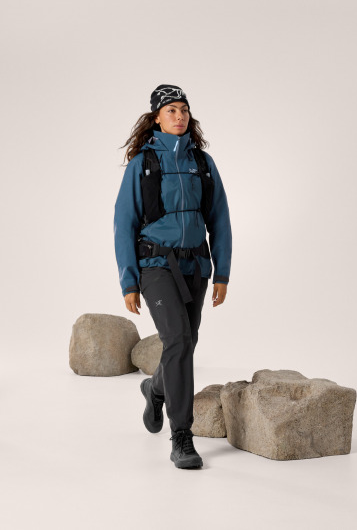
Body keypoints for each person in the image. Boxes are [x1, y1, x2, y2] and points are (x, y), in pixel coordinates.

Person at [113, 84, 232, 469]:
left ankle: (155, 388)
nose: (179, 116)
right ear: (156, 118)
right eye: (171, 111)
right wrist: (129, 281)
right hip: (155, 265)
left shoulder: (202, 162)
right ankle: (182, 436)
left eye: (184, 110)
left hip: (195, 265)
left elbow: (220, 220)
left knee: (186, 341)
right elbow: (124, 224)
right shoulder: (143, 164)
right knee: (178, 338)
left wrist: (222, 272)